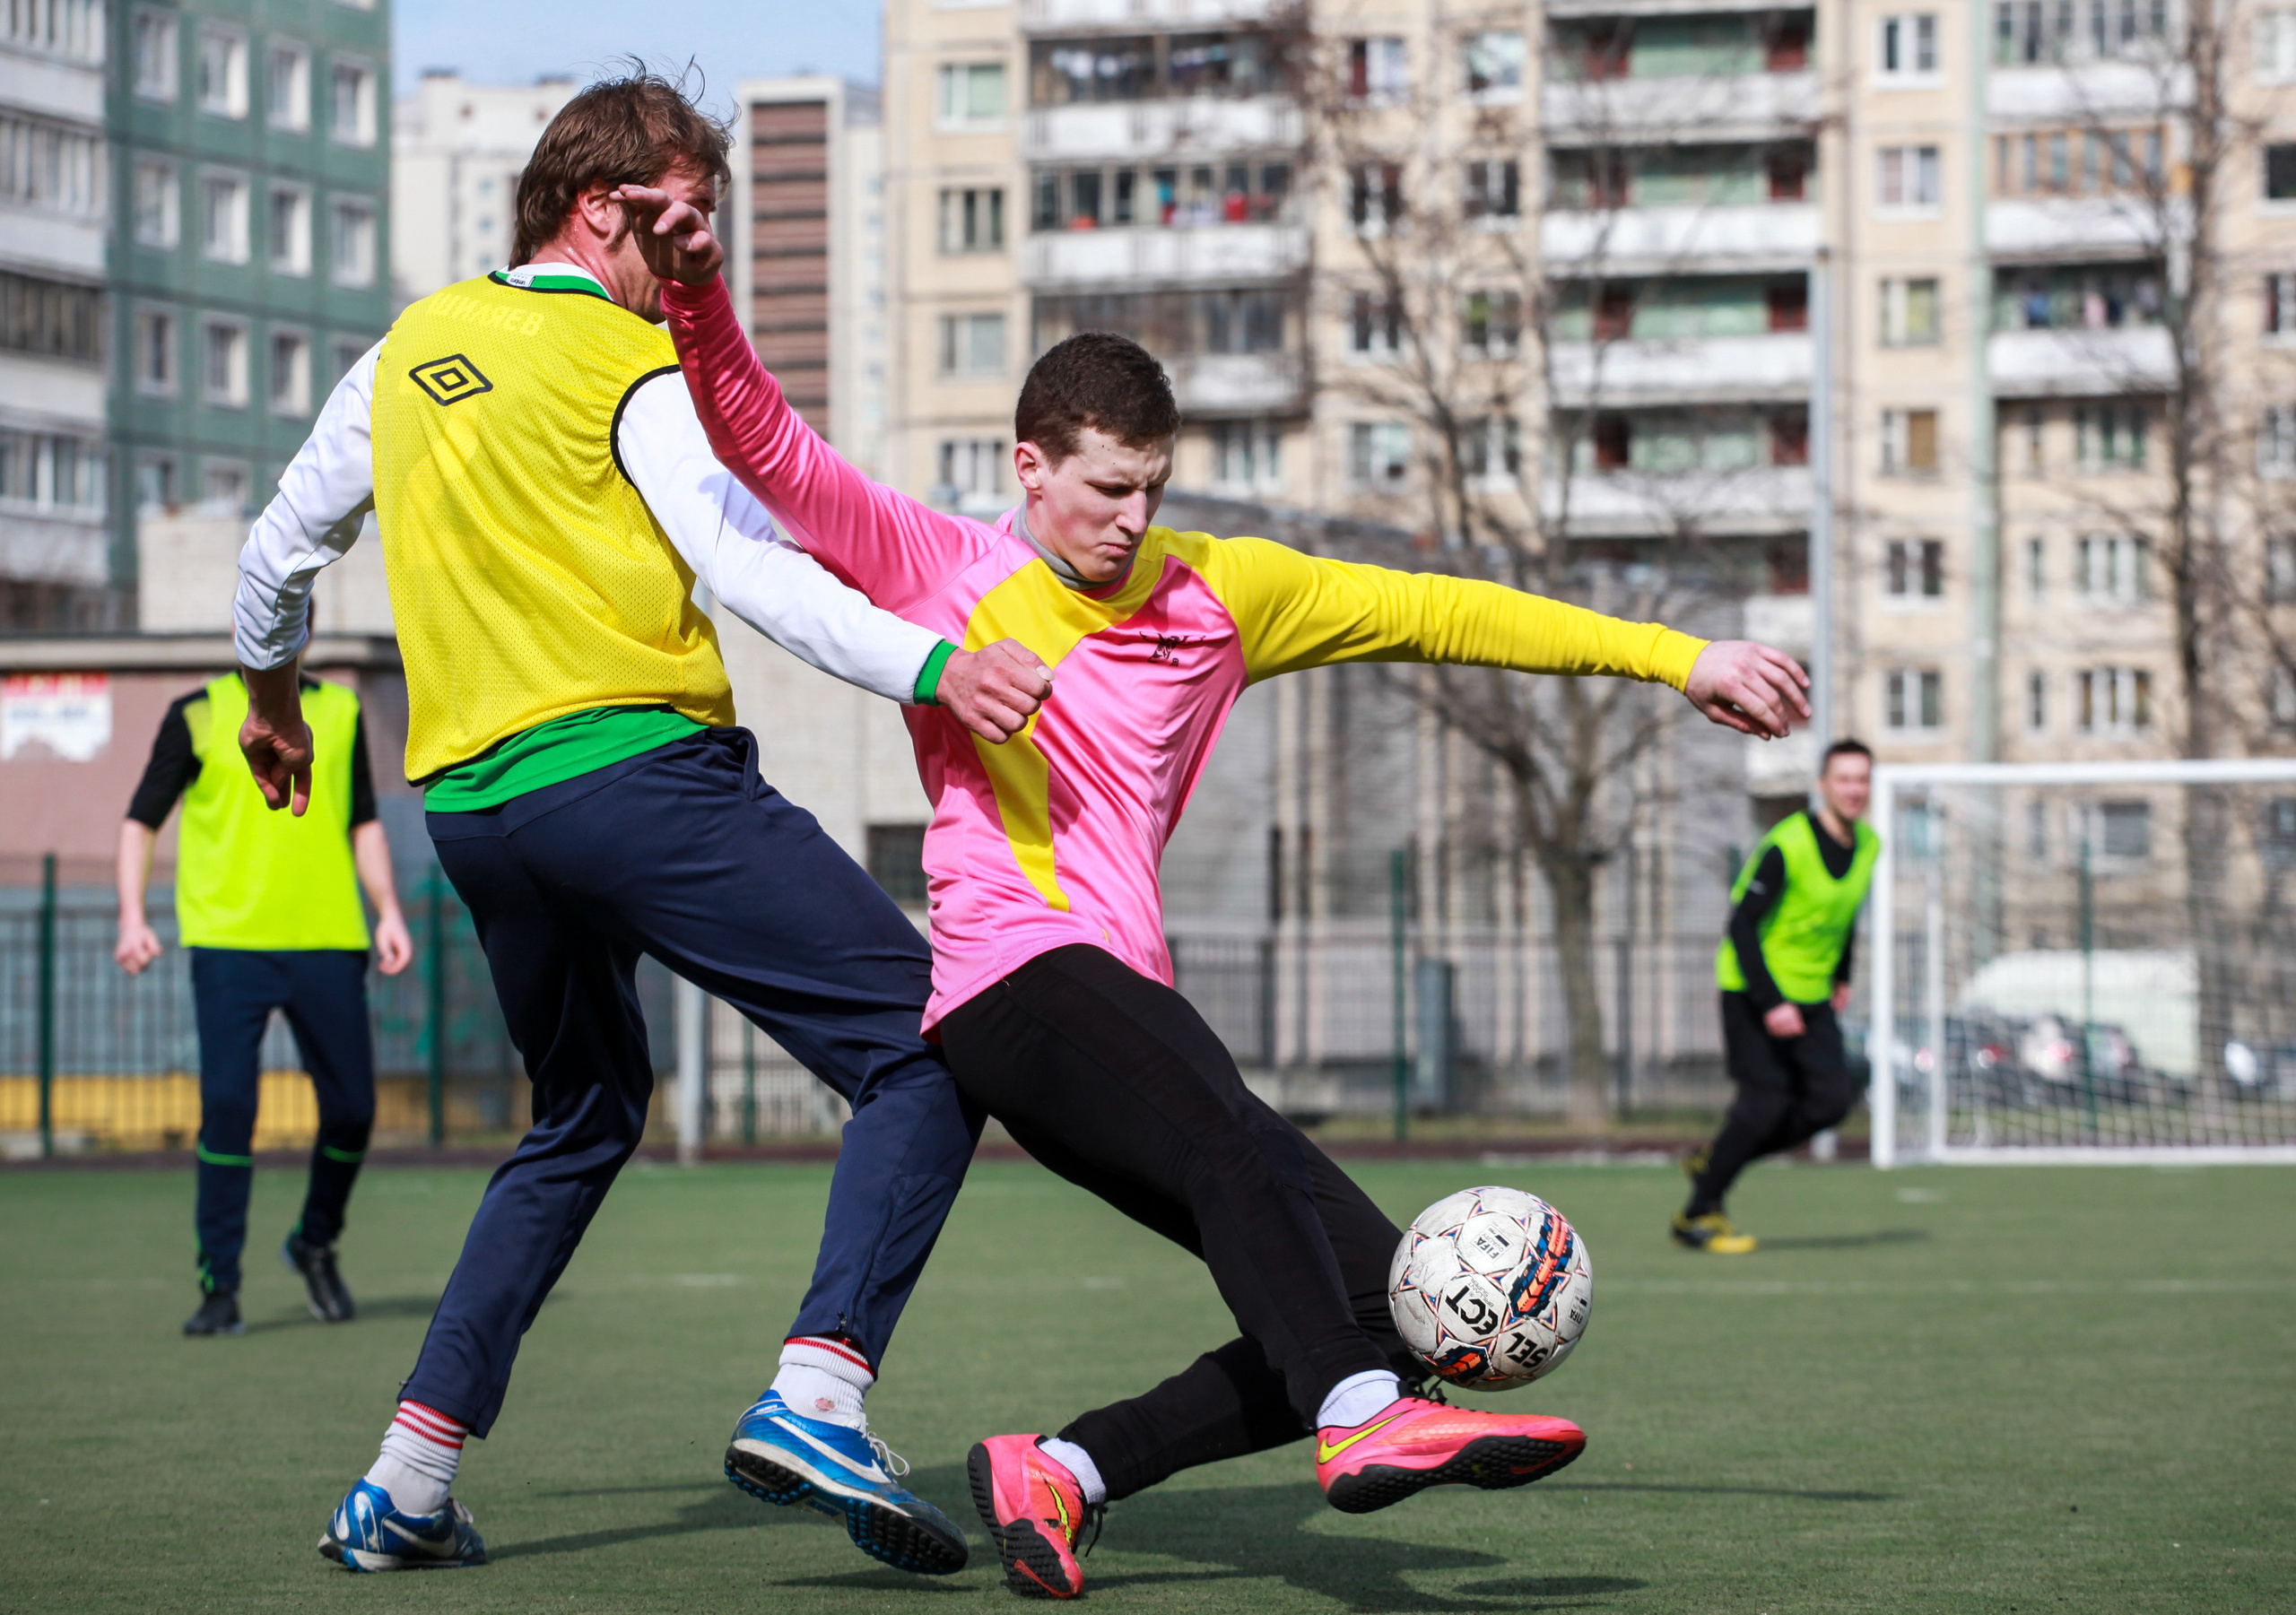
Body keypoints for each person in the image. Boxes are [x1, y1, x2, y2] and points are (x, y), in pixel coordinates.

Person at [617, 181, 1814, 1600]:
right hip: (1010, 984)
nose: (1131, 519)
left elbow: (1446, 611)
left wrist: (1680, 659)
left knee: (1383, 1303)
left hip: (1122, 1012)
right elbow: (771, 447)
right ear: (1031, 468)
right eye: (1106, 487)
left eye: (1152, 489)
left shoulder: (1219, 593)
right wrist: (698, 291)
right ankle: (1360, 1425)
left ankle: (1067, 1469)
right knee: (1247, 1165)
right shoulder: (943, 566)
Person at [229, 74, 1054, 1576]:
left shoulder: (407, 348)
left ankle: (408, 1479)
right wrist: (934, 661)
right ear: (600, 207)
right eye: (679, 220)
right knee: (925, 1041)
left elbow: (275, 554)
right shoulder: (633, 361)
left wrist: (270, 704)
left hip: (477, 817)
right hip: (636, 786)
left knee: (586, 1113)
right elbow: (752, 566)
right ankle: (820, 1389)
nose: (691, 257)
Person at [117, 669, 413, 1337]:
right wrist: (132, 916)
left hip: (329, 936)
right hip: (229, 943)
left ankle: (314, 1240)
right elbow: (141, 823)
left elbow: (363, 821)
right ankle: (219, 1286)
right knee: (227, 1107)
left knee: (354, 1109)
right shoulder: (195, 713)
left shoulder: (340, 711)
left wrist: (388, 910)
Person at [1676, 739, 1879, 1255]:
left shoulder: (1870, 845)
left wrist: (1843, 974)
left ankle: (1718, 1158)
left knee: (1831, 1101)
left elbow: (1843, 915)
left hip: (1812, 993)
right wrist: (1772, 1004)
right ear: (1822, 786)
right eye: (1845, 779)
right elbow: (1742, 924)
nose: (1855, 789)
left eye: (1862, 779)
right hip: (1753, 988)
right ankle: (1699, 1213)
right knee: (1764, 1103)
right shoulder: (1787, 844)